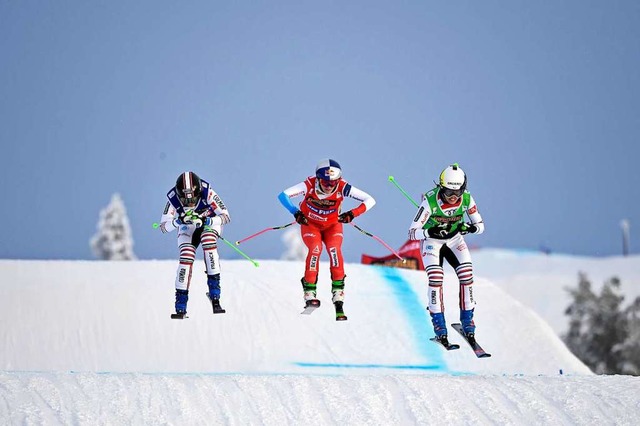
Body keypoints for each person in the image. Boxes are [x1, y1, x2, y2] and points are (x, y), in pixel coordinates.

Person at [278, 159, 376, 320]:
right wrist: (295, 212)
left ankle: (338, 294)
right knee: (315, 250)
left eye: (333, 183)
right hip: (311, 225)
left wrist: (352, 214)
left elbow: (370, 200)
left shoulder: (343, 187)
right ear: (318, 179)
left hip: (332, 226)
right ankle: (309, 291)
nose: (329, 186)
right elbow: (283, 196)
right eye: (325, 182)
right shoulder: (309, 185)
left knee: (334, 251)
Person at [408, 163, 484, 345]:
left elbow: (481, 226)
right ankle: (439, 327)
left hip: (455, 241)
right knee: (436, 278)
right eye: (448, 192)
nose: (452, 197)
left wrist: (470, 228)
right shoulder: (430, 200)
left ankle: (468, 323)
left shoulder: (467, 199)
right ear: (441, 187)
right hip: (432, 243)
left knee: (467, 276)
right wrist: (429, 232)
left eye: (457, 193)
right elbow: (412, 232)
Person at [159, 171, 231, 319]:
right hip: (188, 228)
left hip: (208, 224)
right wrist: (178, 221)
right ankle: (180, 306)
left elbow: (225, 216)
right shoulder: (172, 199)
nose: (190, 204)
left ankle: (215, 295)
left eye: (194, 200)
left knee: (208, 242)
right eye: (185, 201)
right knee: (186, 258)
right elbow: (163, 227)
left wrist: (208, 221)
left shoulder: (208, 192)